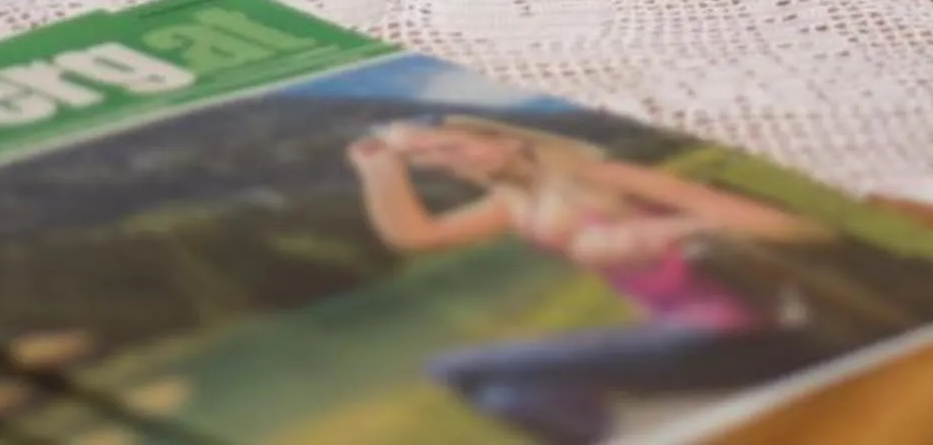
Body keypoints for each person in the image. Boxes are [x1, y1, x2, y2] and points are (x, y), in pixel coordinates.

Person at [347, 115, 845, 444]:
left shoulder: (605, 178)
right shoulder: (517, 202)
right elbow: (418, 236)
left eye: (453, 147)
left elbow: (794, 228)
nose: (448, 163)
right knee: (511, 398)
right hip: (676, 333)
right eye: (432, 161)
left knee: (454, 367)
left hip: (746, 329)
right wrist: (380, 170)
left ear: (507, 136)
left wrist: (663, 231)